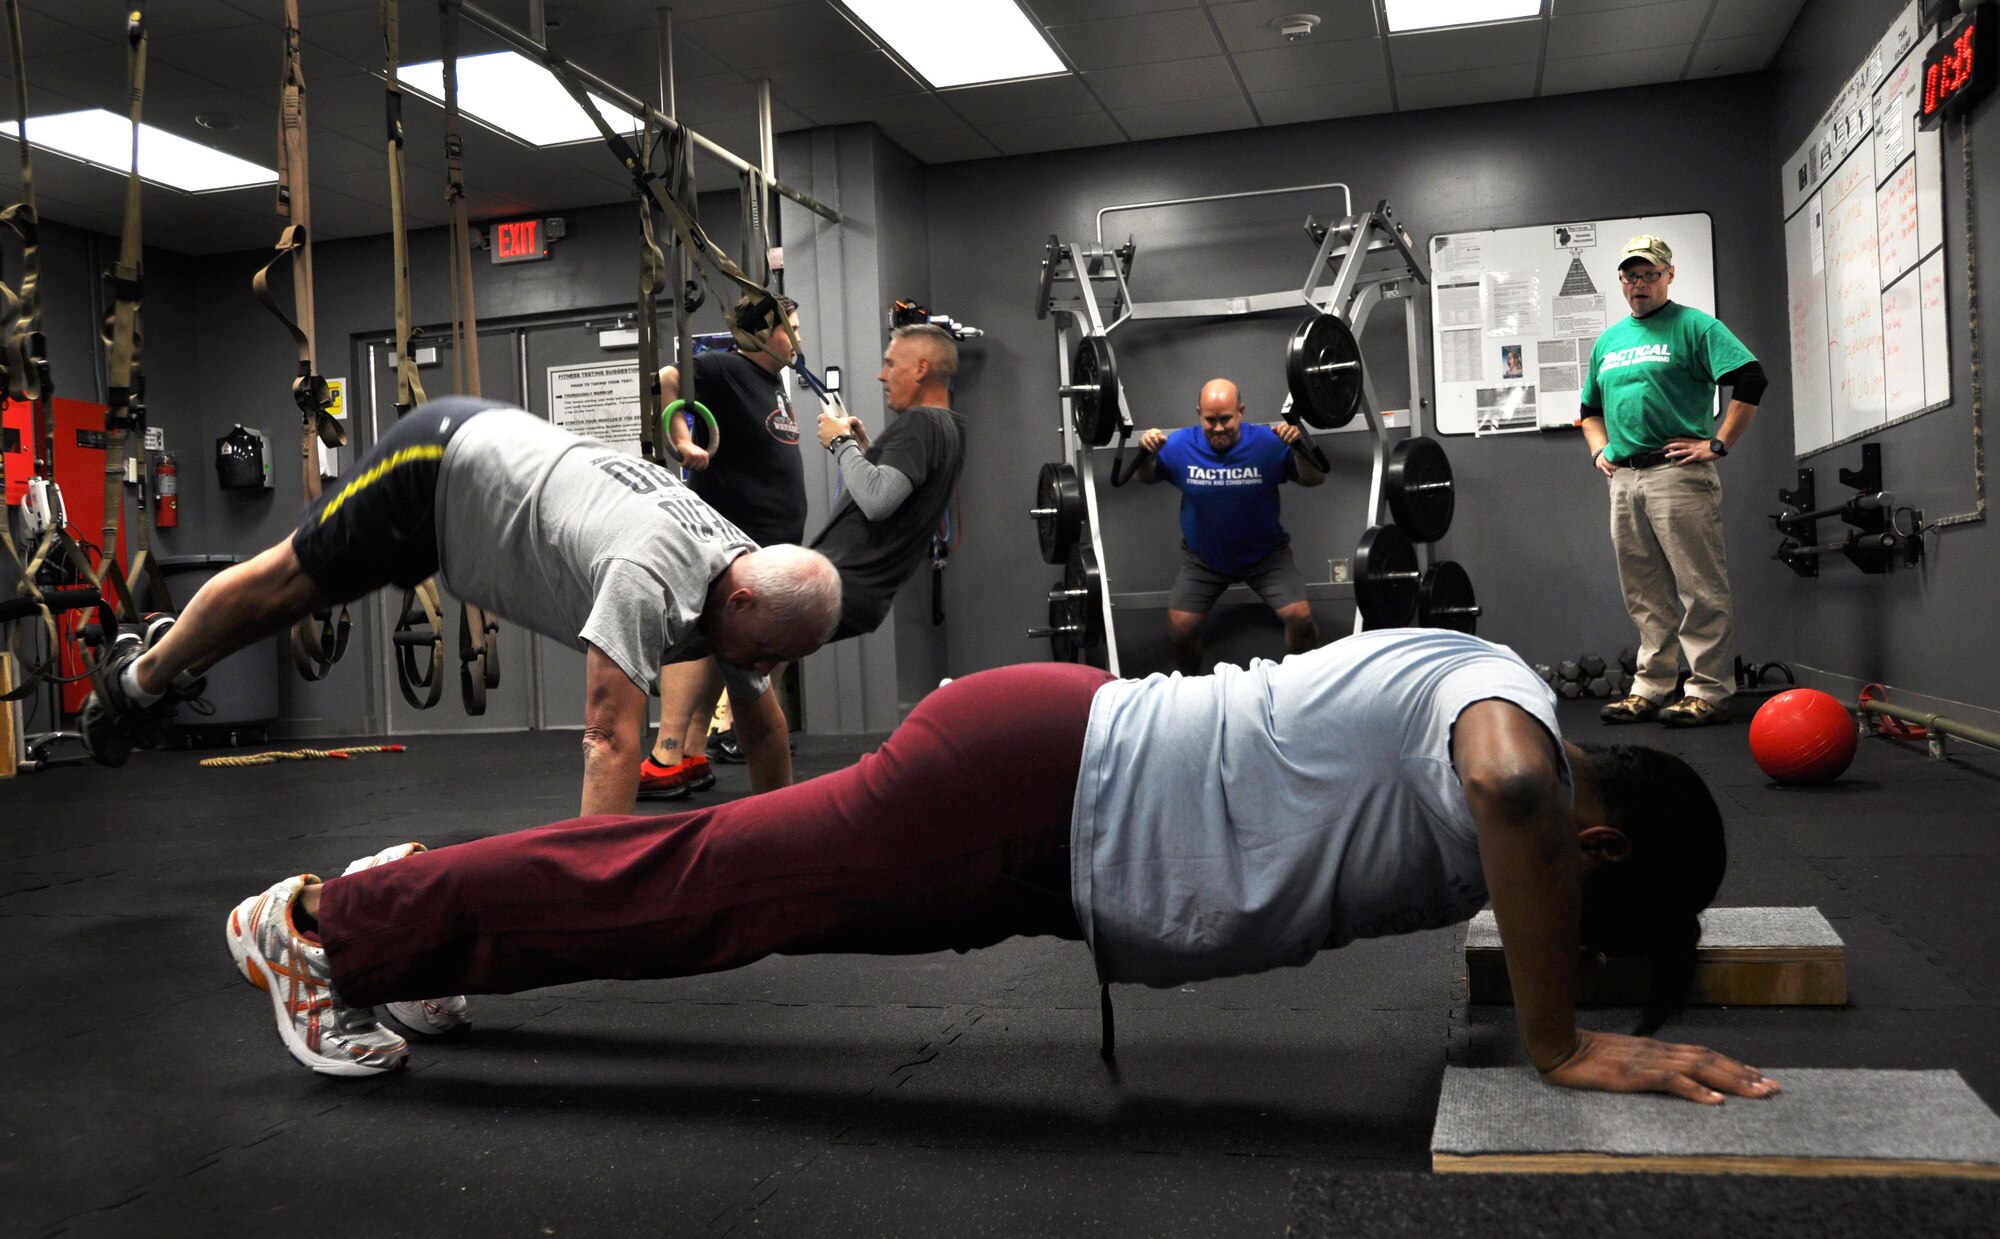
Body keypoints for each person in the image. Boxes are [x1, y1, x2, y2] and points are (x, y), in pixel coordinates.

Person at [223, 627, 1779, 1112]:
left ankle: (414, 913)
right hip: (1038, 788)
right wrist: (1566, 1043)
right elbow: (1508, 783)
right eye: (1597, 904)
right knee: (704, 894)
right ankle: (328, 927)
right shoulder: (1507, 725)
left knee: (699, 879)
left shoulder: (1496, 711)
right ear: (1600, 844)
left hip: (1055, 815)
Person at [84, 395, 843, 816]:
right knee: (289, 585)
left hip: (482, 488)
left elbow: (761, 717)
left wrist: (786, 849)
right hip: (439, 465)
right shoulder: (650, 571)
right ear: (741, 597)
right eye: (769, 649)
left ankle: (160, 662)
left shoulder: (748, 571)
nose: (766, 667)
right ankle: (139, 677)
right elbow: (611, 739)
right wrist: (599, 896)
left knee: (299, 601)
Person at [647, 322, 967, 795]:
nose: (881, 375)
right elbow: (667, 380)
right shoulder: (950, 426)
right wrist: (861, 447)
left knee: (714, 623)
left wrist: (839, 445)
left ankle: (668, 758)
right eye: (789, 328)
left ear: (921, 368)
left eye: (890, 364)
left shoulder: (920, 425)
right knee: (740, 655)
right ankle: (692, 752)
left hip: (837, 584)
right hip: (859, 589)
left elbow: (878, 499)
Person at [1581, 236, 1766, 729]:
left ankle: (1709, 691)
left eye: (1648, 275)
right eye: (1630, 276)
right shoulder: (1609, 341)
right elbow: (1589, 410)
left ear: (1668, 275)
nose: (1639, 284)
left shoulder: (1694, 326)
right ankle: (1652, 687)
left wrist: (1718, 443)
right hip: (1626, 479)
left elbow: (1750, 378)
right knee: (1644, 592)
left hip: (1678, 476)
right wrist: (1599, 449)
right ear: (1621, 282)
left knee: (1699, 589)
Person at [640, 293, 810, 800]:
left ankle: (692, 751)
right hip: (729, 541)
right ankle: (664, 756)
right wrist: (682, 443)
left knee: (726, 645)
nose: (797, 338)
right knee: (702, 639)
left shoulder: (772, 381)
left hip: (767, 545)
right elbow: (667, 382)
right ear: (761, 333)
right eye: (791, 328)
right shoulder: (725, 369)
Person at [1137, 379, 1326, 675]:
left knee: (1300, 618)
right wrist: (1147, 454)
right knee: (1179, 629)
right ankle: (1192, 689)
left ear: (1240, 411)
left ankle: (1297, 688)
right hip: (1204, 559)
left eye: (1225, 419)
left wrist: (1300, 446)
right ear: (1199, 413)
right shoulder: (1179, 445)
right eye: (1210, 420)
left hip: (1266, 556)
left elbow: (1314, 479)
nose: (1218, 427)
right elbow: (1144, 478)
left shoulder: (1268, 442)